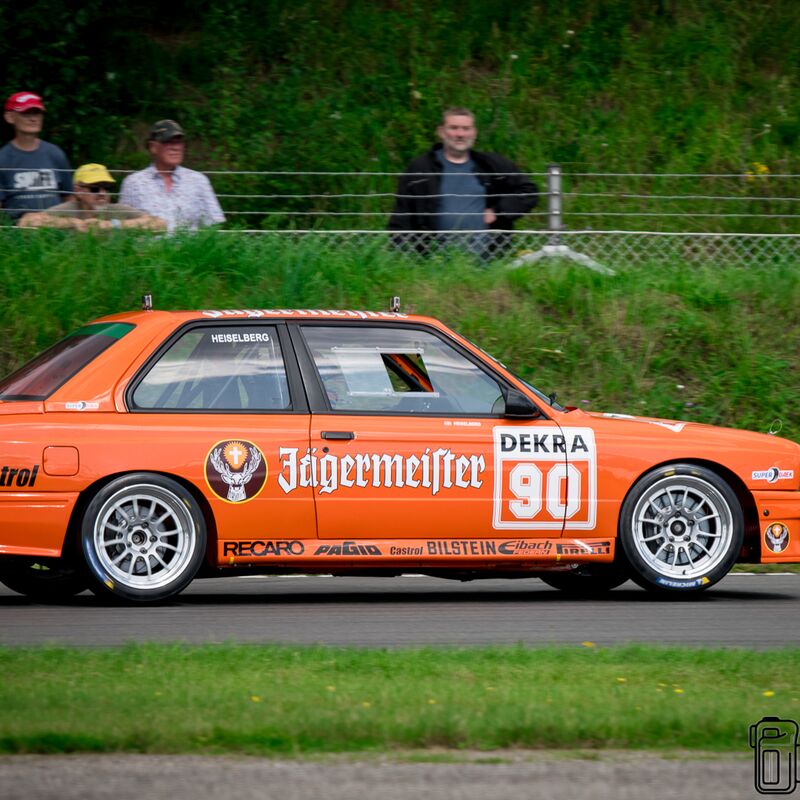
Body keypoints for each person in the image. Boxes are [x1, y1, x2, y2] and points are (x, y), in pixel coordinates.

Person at [388, 107, 538, 257]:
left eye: (466, 129)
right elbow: (401, 215)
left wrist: (497, 211)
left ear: (474, 133)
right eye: (454, 128)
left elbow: (528, 192)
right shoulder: (421, 168)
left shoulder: (491, 165)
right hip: (432, 260)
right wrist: (402, 254)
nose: (460, 134)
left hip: (488, 259)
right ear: (441, 132)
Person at [118, 119, 225, 232]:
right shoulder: (133, 183)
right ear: (153, 147)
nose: (176, 147)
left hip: (190, 244)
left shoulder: (198, 181)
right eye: (168, 142)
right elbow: (123, 230)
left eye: (179, 142)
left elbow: (215, 226)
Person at [18, 163, 166, 231]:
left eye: (106, 187)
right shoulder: (69, 209)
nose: (102, 193)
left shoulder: (117, 209)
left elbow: (160, 224)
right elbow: (26, 222)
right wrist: (72, 223)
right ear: (78, 191)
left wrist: (111, 225)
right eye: (95, 188)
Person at [0, 92, 72, 223]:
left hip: (57, 228)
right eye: (26, 113)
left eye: (37, 113)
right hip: (18, 230)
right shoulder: (3, 158)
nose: (33, 118)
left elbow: (69, 198)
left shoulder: (55, 153)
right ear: (10, 117)